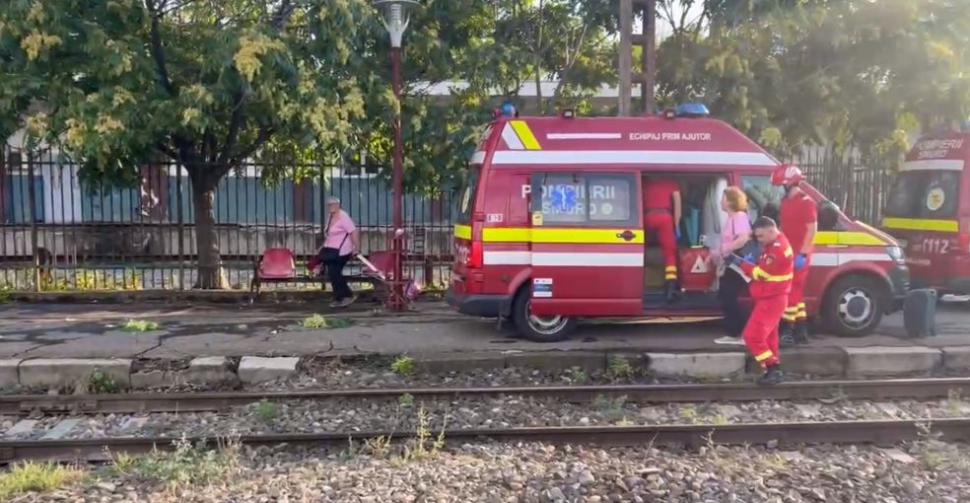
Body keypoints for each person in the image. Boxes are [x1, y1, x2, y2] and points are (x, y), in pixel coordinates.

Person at [726, 216, 793, 385]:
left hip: (771, 300)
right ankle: (772, 370)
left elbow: (761, 274)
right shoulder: (774, 243)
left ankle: (773, 368)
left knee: (752, 336)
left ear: (771, 230)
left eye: (761, 236)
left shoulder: (777, 249)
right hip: (772, 298)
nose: (759, 241)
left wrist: (739, 263)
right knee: (770, 338)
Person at [772, 164, 817, 345]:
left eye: (781, 185)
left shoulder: (807, 202)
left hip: (800, 255)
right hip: (788, 252)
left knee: (789, 292)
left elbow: (812, 230)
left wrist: (804, 254)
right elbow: (783, 227)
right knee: (796, 292)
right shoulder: (785, 202)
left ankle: (787, 330)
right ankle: (801, 331)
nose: (780, 189)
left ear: (789, 183)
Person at [713, 187, 753, 346]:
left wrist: (724, 248)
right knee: (726, 296)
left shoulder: (739, 217)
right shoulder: (732, 218)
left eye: (723, 198)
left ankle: (738, 333)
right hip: (732, 264)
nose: (721, 201)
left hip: (738, 265)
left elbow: (743, 239)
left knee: (727, 296)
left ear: (730, 201)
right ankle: (736, 332)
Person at [643, 177, 682, 302]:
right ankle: (670, 289)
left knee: (639, 248)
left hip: (647, 217)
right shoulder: (672, 183)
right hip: (665, 217)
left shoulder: (645, 183)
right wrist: (676, 225)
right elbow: (678, 206)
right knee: (669, 253)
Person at [318, 196, 360, 308]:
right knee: (332, 273)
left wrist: (356, 247)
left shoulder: (343, 216)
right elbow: (329, 234)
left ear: (338, 205)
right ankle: (340, 296)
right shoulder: (330, 217)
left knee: (334, 272)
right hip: (331, 250)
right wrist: (322, 246)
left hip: (342, 250)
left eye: (333, 204)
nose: (330, 206)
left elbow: (353, 231)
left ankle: (345, 296)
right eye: (329, 205)